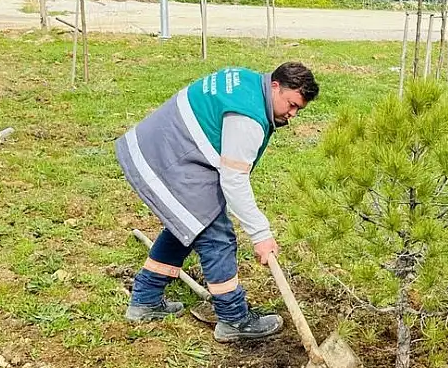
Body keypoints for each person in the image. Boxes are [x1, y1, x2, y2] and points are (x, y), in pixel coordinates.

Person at [116, 63, 319, 343]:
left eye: (299, 109)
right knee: (217, 237)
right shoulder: (247, 117)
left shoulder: (247, 81)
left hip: (159, 146)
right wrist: (261, 234)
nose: (293, 114)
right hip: (171, 159)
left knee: (189, 223)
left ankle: (145, 300)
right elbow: (233, 180)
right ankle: (234, 319)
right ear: (275, 86)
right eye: (292, 104)